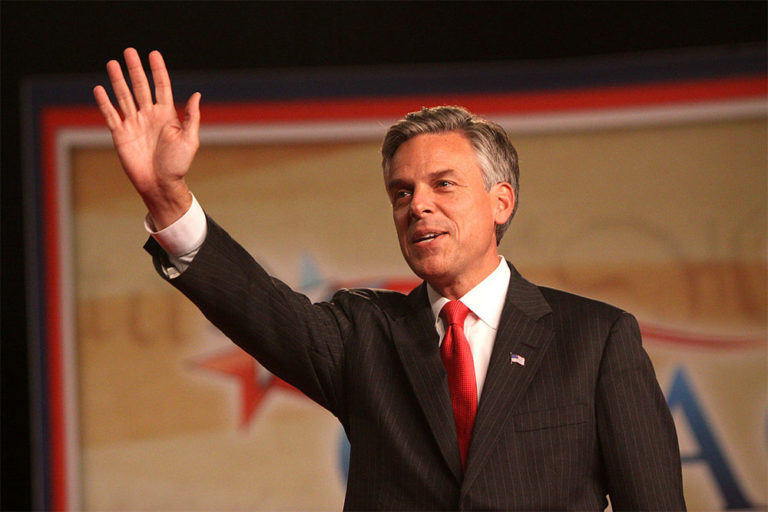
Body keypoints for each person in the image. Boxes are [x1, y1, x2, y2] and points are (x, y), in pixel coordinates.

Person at [94, 48, 686, 511]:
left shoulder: (596, 339)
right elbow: (257, 306)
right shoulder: (363, 335)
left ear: (500, 201)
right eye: (401, 193)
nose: (417, 205)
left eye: (443, 184)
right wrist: (166, 197)